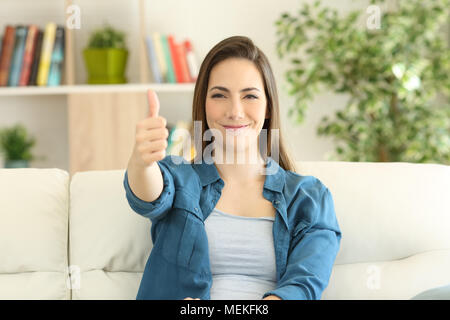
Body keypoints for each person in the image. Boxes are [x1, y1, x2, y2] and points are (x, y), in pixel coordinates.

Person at [123, 36, 341, 300]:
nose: (235, 111)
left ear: (268, 105)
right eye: (219, 95)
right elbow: (149, 195)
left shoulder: (309, 197)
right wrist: (142, 160)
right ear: (204, 104)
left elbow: (305, 284)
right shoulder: (179, 177)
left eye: (249, 95)